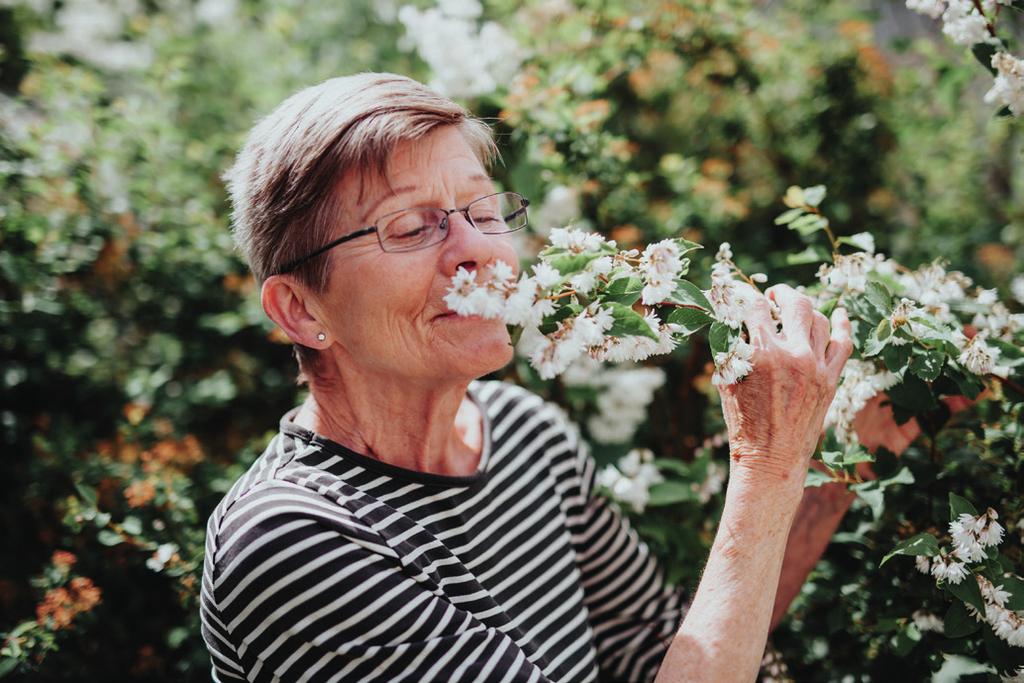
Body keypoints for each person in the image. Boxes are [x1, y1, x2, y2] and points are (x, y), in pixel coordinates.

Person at [199, 72, 902, 682]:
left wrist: (844, 464)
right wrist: (770, 462)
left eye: (482, 210)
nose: (478, 249)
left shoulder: (527, 434)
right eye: (412, 226)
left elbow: (672, 654)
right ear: (299, 309)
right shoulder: (295, 540)